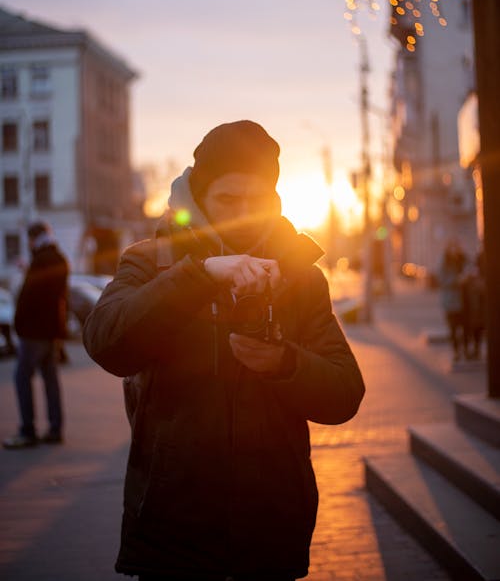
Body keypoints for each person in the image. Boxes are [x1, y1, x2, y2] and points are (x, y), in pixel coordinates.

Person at [83, 120, 365, 581]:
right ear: (200, 197)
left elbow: (345, 393)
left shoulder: (300, 276)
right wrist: (201, 274)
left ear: (272, 202)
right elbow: (106, 343)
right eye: (228, 199)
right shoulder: (150, 260)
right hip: (172, 525)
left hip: (271, 525)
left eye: (255, 200)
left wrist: (285, 363)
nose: (242, 212)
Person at [3, 221, 68, 449]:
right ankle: (55, 429)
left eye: (30, 239)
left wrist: (20, 324)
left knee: (22, 378)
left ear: (35, 239)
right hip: (50, 332)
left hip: (34, 333)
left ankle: (28, 431)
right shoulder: (57, 258)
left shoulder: (41, 261)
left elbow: (32, 297)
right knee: (50, 379)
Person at [438, 239, 467, 362]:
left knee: (465, 327)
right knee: (453, 328)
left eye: (457, 246)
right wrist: (457, 280)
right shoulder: (445, 262)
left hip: (464, 301)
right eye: (452, 247)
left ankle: (465, 351)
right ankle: (456, 351)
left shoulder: (463, 260)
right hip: (450, 301)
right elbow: (442, 279)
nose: (455, 249)